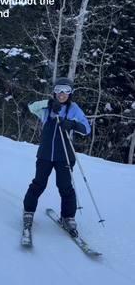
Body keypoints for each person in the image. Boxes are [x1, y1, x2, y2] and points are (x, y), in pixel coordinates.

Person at [22, 77, 91, 245]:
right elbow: (31, 107)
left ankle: (68, 217)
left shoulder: (74, 108)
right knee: (39, 183)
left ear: (71, 93)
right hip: (45, 154)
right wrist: (48, 102)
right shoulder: (46, 108)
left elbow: (86, 129)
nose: (62, 94)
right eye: (59, 89)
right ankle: (28, 212)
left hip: (65, 156)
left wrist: (72, 124)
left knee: (65, 187)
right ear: (54, 91)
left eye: (66, 90)